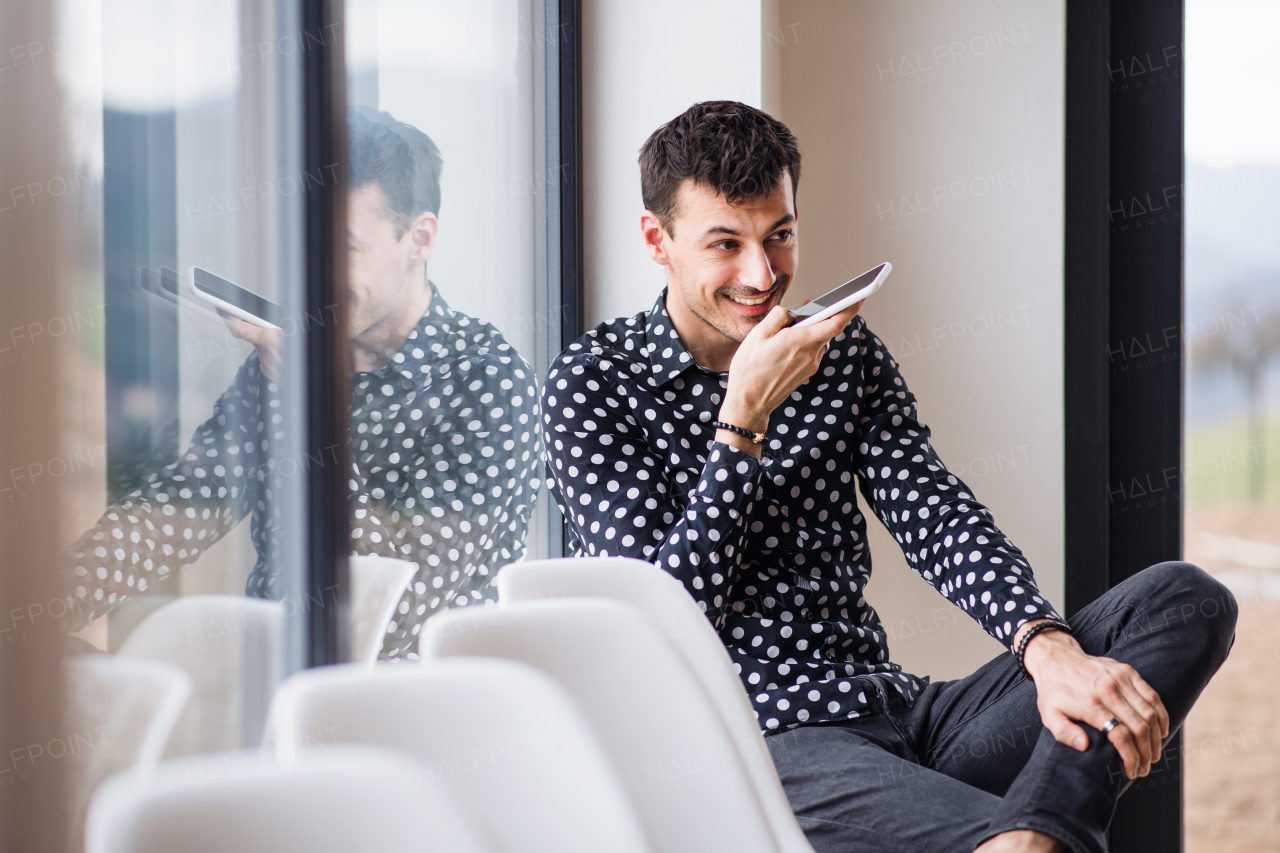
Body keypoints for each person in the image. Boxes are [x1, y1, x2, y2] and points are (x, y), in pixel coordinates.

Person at [541, 100, 1235, 853]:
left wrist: (1047, 648)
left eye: (780, 235)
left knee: (1185, 601)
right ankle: (1035, 833)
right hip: (755, 743)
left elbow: (934, 513)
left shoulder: (841, 354)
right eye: (724, 244)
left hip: (901, 712)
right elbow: (664, 626)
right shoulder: (594, 382)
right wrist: (742, 421)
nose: (761, 273)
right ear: (658, 239)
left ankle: (1035, 831)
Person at [64, 106, 541, 659]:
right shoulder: (289, 357)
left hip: (405, 708)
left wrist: (308, 403)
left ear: (419, 238)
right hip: (270, 683)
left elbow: (380, 618)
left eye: (342, 245)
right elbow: (175, 514)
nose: (312, 275)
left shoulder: (487, 381)